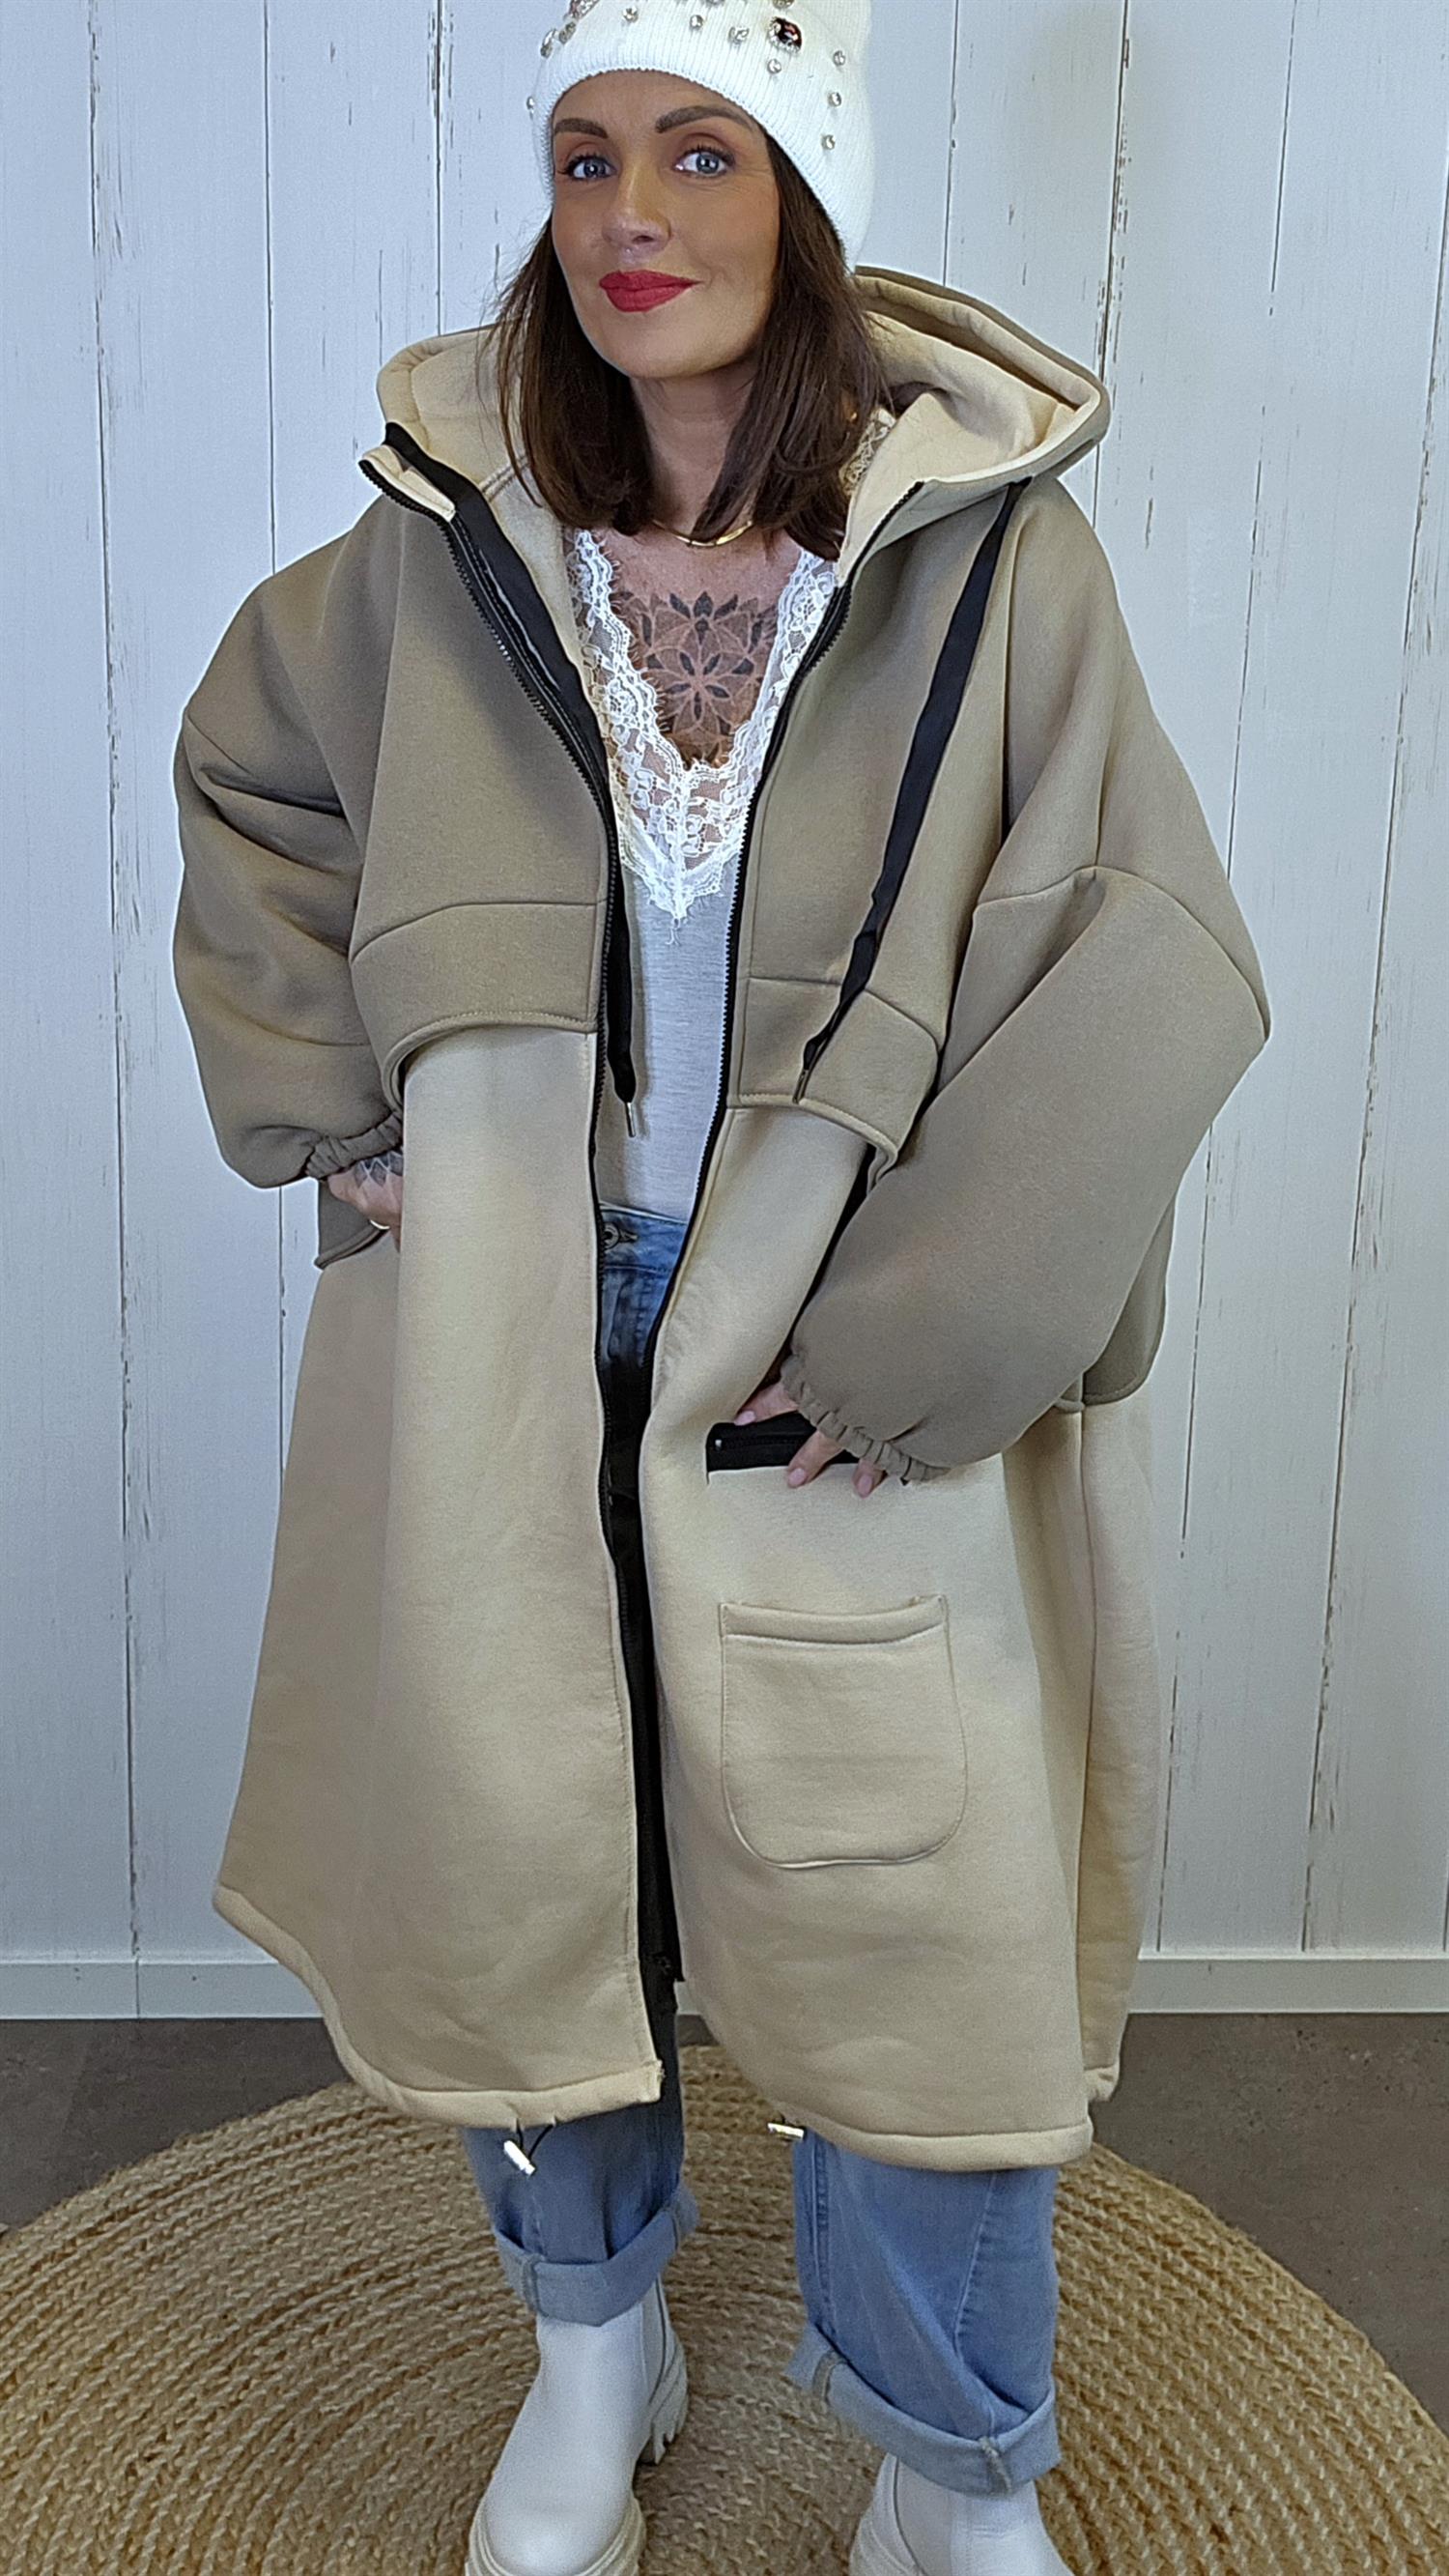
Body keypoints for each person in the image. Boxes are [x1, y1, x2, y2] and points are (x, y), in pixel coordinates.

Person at [170, 4, 1271, 2570]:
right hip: (504, 1316)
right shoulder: (440, 552)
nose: (630, 214)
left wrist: (931, 1335)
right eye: (583, 157)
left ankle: (948, 2462)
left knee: (915, 1909)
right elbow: (252, 785)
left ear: (804, 194)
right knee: (533, 1857)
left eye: (699, 151)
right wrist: (349, 1131)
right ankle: (596, 2355)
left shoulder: (988, 559)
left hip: (835, 1328)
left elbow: (1147, 953)